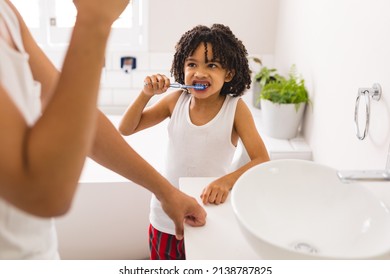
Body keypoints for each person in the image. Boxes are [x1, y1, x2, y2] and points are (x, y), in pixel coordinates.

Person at [0, 0, 206, 259]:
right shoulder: (175, 102)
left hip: (39, 253)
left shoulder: (6, 13)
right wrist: (94, 19)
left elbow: (86, 122)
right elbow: (46, 195)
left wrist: (166, 192)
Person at [119, 24, 270, 260]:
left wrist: (226, 182)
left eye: (211, 65)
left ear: (228, 74)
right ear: (182, 67)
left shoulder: (235, 110)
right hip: (164, 217)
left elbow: (262, 159)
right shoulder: (175, 101)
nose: (199, 72)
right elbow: (126, 128)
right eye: (192, 64)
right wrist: (145, 94)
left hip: (207, 215)